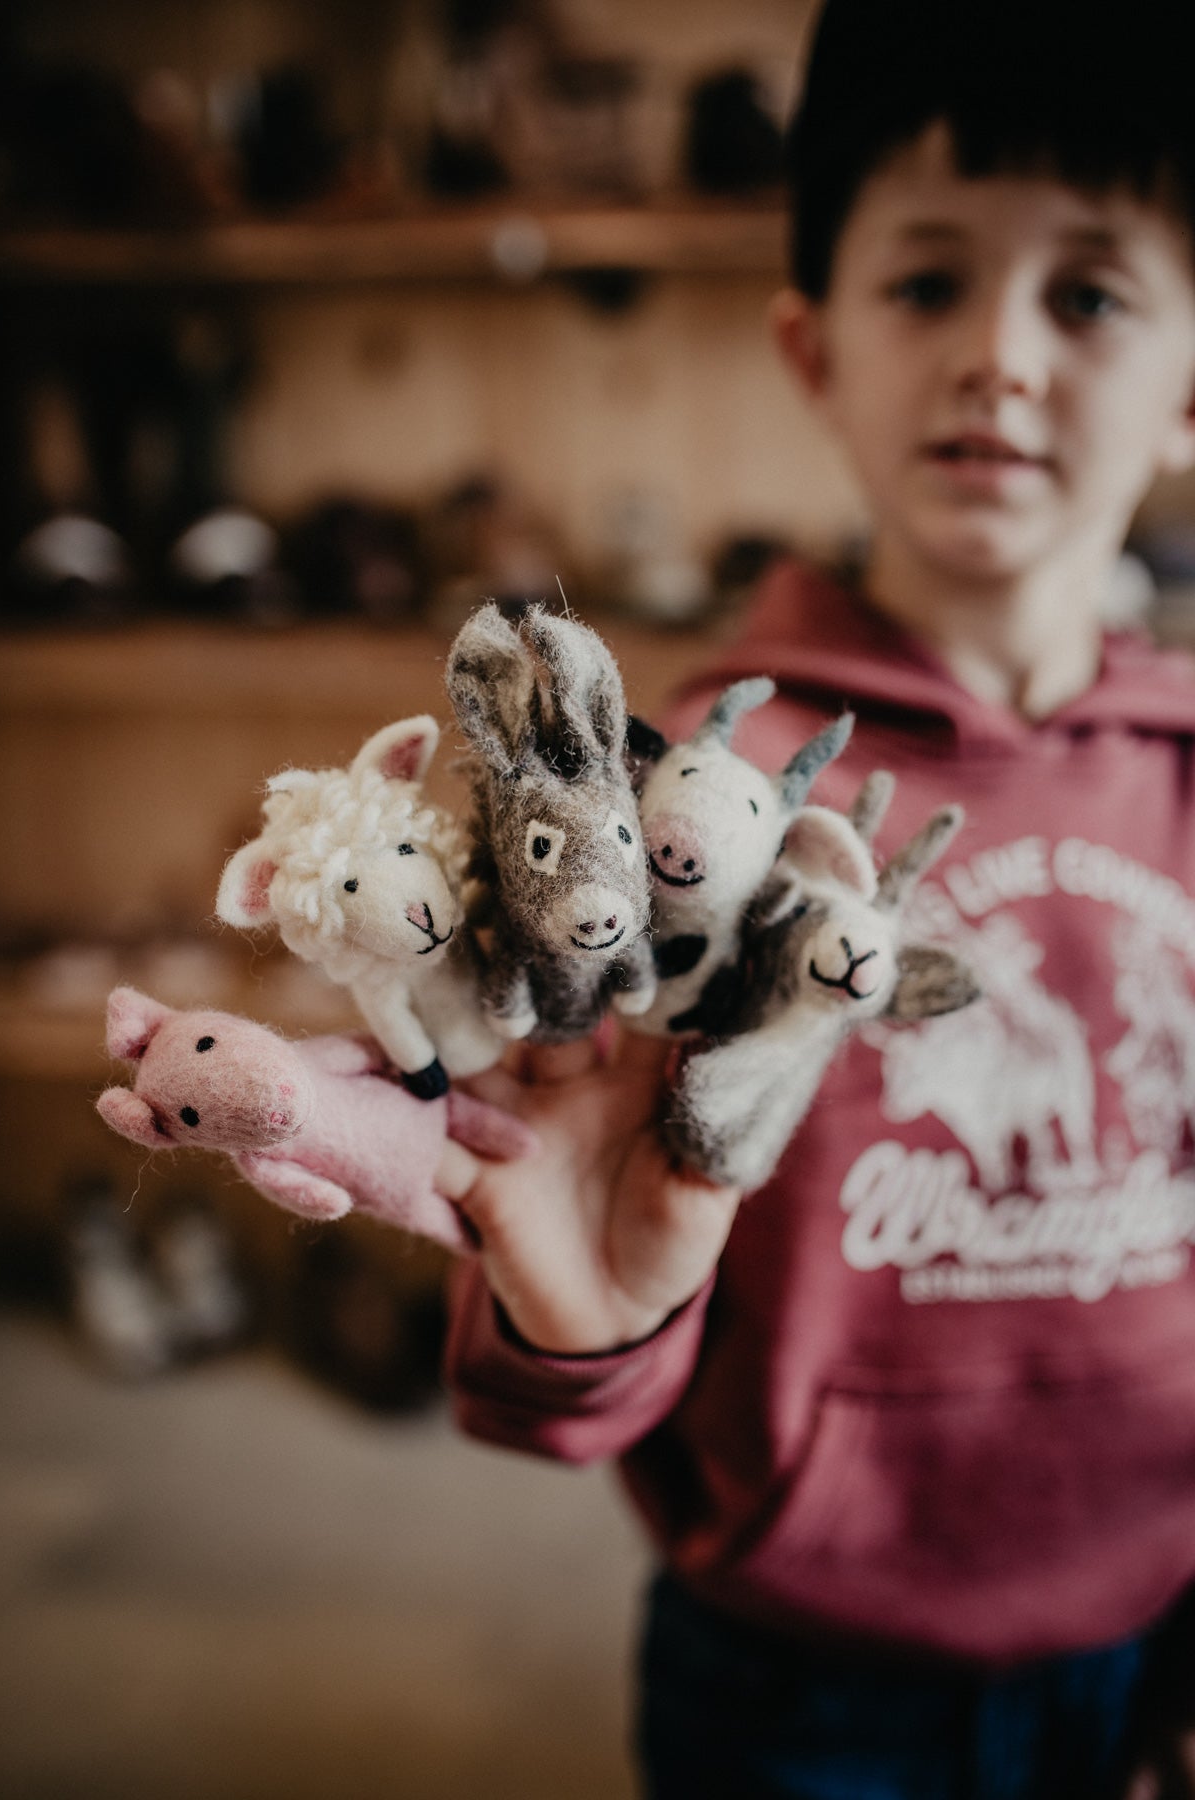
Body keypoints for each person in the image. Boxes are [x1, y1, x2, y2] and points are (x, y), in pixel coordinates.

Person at [433, 2, 1195, 1793]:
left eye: (1087, 294)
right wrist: (573, 1322)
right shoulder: (684, 805)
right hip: (796, 1672)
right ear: (814, 347)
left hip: (1157, 1627)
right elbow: (563, 1285)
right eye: (928, 282)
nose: (999, 355)